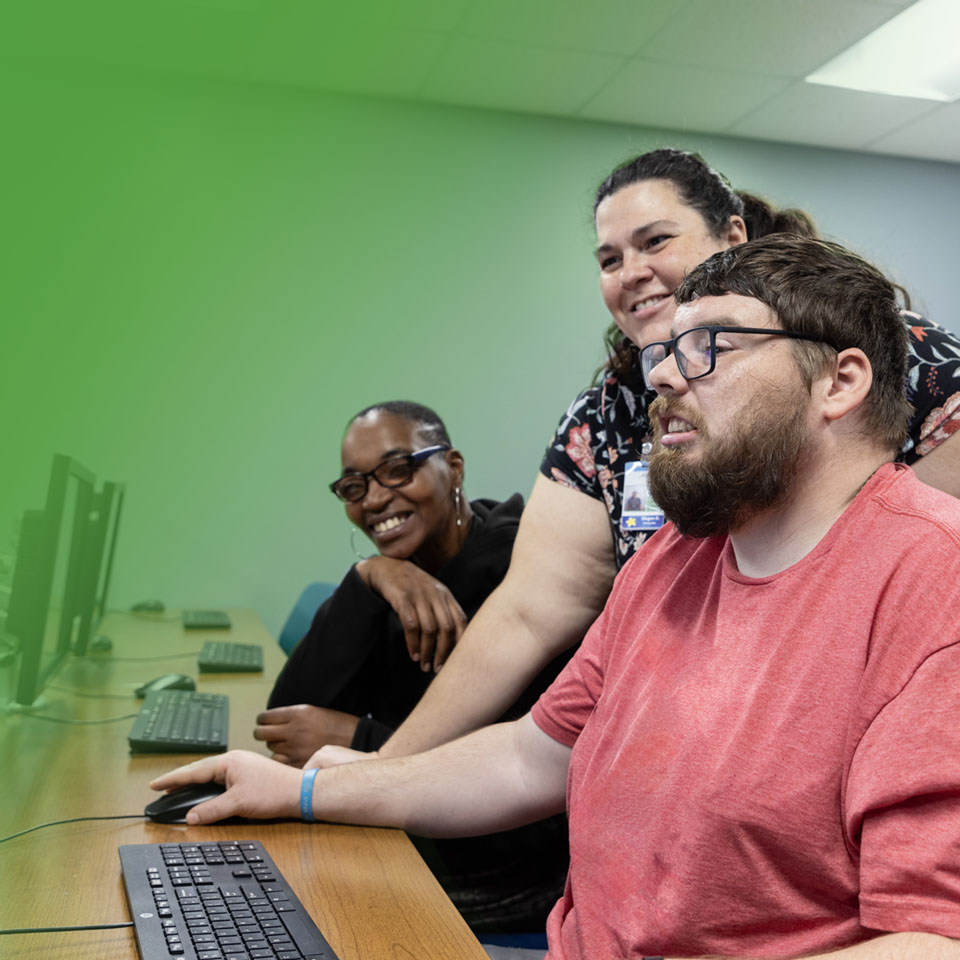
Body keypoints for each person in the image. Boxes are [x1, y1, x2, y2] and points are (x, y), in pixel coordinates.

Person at [153, 235, 960, 959]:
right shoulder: (673, 561)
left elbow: (929, 940)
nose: (668, 375)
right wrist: (304, 791)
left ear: (840, 382)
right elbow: (527, 755)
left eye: (711, 346)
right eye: (666, 352)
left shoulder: (931, 587)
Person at [340, 148, 960, 764]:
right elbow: (528, 613)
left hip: (846, 741)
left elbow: (934, 587)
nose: (630, 272)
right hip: (672, 747)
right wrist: (385, 764)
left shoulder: (891, 362)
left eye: (655, 241)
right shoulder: (605, 418)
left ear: (732, 236)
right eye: (610, 259)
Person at [255, 400, 569, 933]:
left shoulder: (528, 581)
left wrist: (363, 742)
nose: (375, 499)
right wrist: (370, 576)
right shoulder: (395, 577)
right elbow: (285, 725)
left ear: (454, 469)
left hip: (505, 873)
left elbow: (534, 782)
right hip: (403, 832)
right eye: (354, 487)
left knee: (279, 914)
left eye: (398, 470)